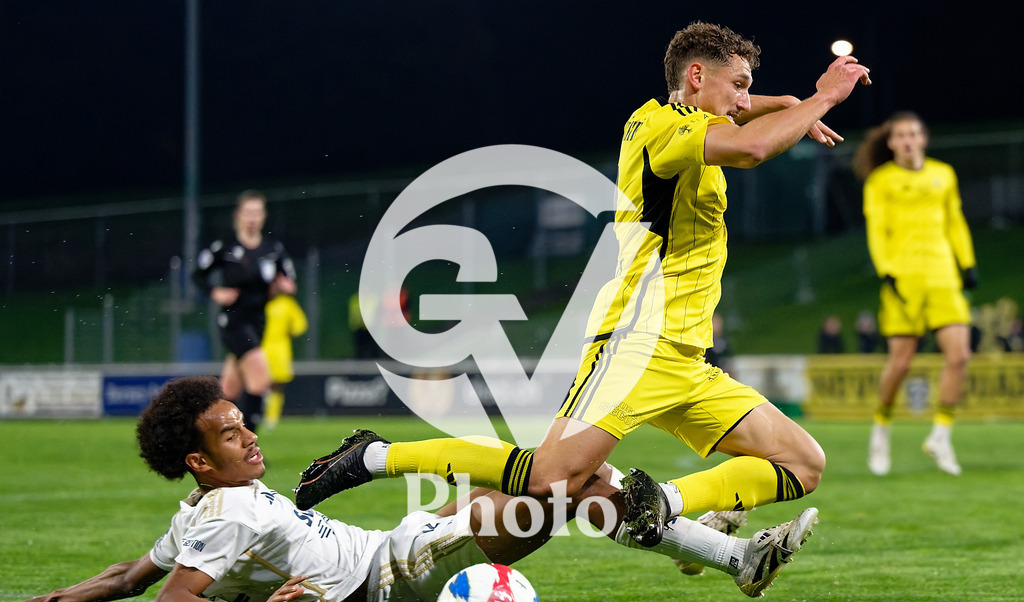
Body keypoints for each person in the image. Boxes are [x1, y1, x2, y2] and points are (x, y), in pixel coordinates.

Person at [294, 21, 867, 550]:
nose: (745, 100)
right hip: (636, 343)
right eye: (739, 85)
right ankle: (373, 455)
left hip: (687, 358)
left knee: (801, 462)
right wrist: (822, 96)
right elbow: (753, 145)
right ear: (696, 77)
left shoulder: (683, 121)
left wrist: (784, 103)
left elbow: (740, 120)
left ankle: (663, 501)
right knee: (550, 479)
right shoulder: (667, 129)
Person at [9, 377, 818, 602]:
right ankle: (718, 545)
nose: (250, 436)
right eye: (231, 435)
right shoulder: (222, 516)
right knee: (563, 484)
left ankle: (720, 546)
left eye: (245, 422)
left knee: (574, 484)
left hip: (397, 540)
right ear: (197, 459)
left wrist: (40, 600)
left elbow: (130, 578)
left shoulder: (199, 515)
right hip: (401, 574)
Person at [852, 112, 977, 476]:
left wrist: (967, 263)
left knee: (960, 355)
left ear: (923, 139)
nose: (907, 141)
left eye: (913, 134)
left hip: (942, 274)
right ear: (891, 143)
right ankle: (881, 427)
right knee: (901, 363)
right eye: (900, 135)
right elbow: (876, 228)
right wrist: (886, 270)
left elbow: (955, 220)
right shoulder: (880, 180)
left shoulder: (944, 174)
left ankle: (940, 435)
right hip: (904, 277)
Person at [192, 190, 297, 434]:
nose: (252, 218)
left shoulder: (272, 249)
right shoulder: (225, 247)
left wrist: (284, 287)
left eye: (257, 212)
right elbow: (198, 274)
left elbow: (289, 281)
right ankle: (245, 445)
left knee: (228, 390)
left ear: (263, 216)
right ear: (238, 216)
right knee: (260, 377)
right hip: (233, 320)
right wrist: (214, 291)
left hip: (259, 321)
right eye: (248, 212)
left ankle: (202, 432)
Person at [261, 292, 308, 430]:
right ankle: (258, 413)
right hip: (259, 348)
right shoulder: (258, 299)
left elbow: (300, 325)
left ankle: (271, 418)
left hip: (280, 350)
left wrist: (289, 329)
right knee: (258, 383)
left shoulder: (287, 303)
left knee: (276, 384)